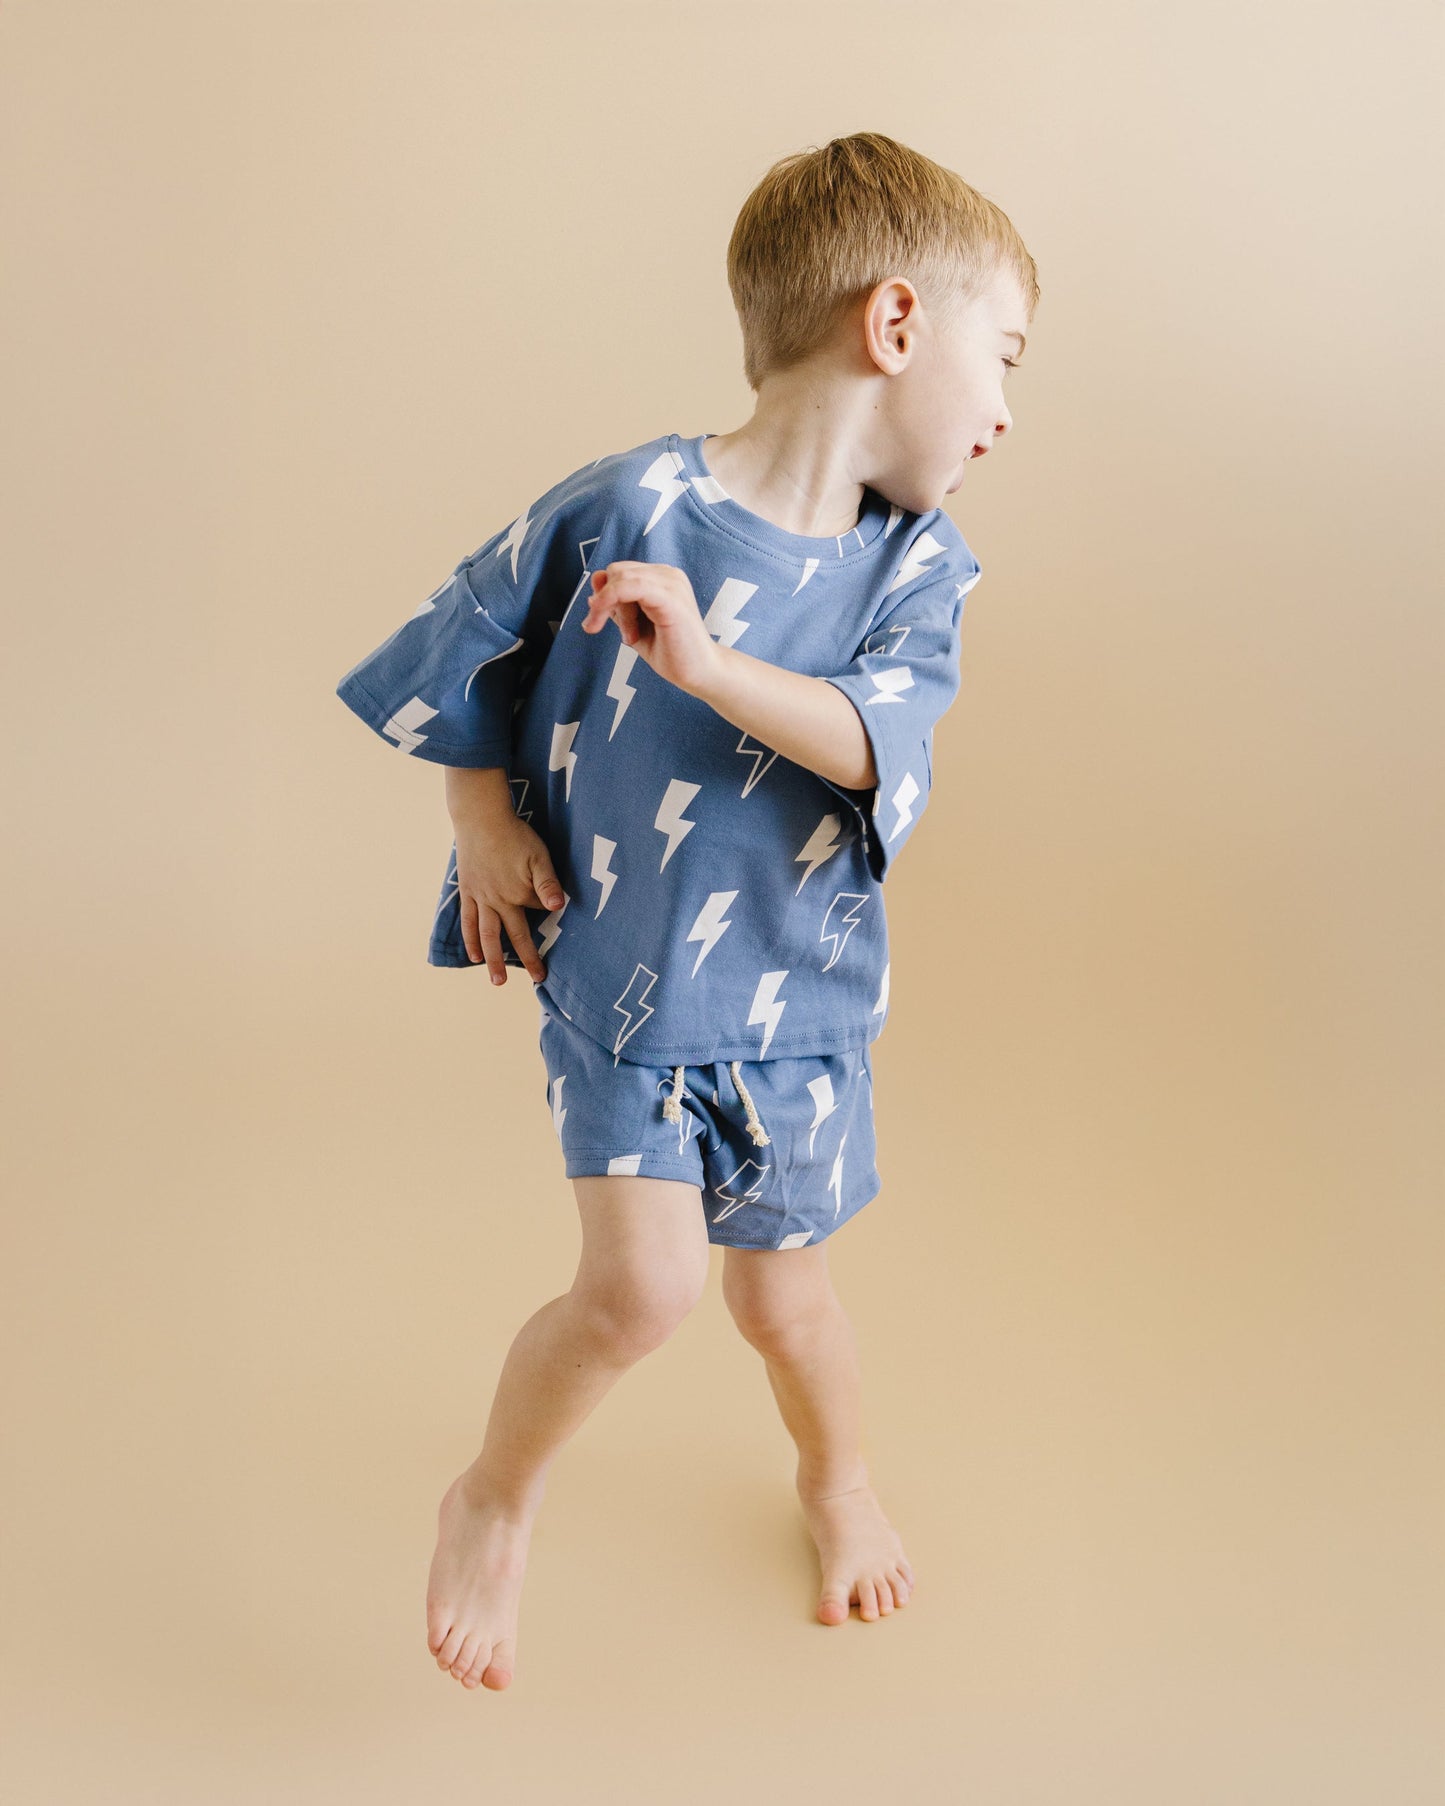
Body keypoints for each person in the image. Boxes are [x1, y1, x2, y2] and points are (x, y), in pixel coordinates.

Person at [335, 130, 1037, 1692]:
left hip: (799, 1011)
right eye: (1001, 358)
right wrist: (479, 818)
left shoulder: (918, 571)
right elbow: (468, 649)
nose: (1003, 414)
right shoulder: (624, 503)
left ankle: (836, 1479)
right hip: (623, 993)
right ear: (895, 324)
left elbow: (873, 742)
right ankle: (491, 1493)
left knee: (786, 1300)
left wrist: (710, 667)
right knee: (639, 1288)